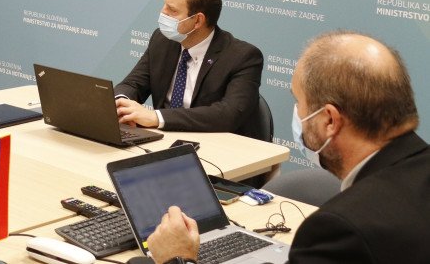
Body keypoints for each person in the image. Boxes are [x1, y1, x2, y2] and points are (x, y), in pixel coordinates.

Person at [144, 30, 430, 264]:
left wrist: (178, 260)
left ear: (330, 120)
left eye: (299, 101)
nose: (297, 113)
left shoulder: (341, 228)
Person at [114, 0, 263, 134]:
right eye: (165, 5)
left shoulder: (243, 57)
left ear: (198, 20)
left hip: (216, 146)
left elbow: (228, 115)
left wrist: (157, 117)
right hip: (163, 140)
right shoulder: (162, 41)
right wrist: (121, 104)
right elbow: (132, 84)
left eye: (172, 10)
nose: (163, 13)